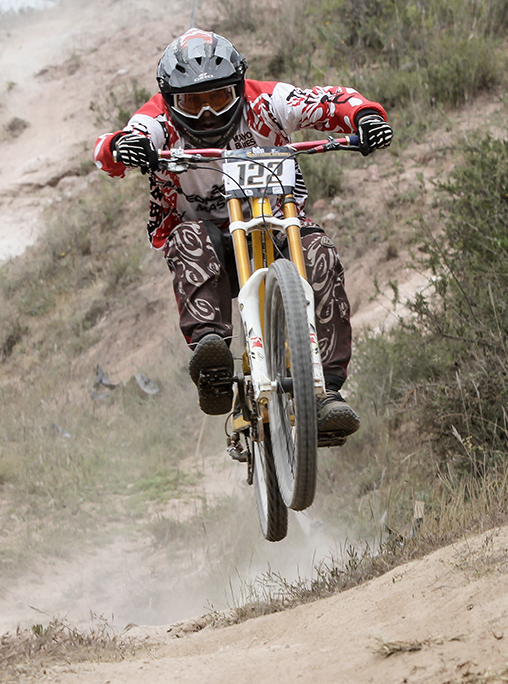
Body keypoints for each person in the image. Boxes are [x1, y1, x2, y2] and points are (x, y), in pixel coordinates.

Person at [92, 29, 394, 437]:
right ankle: (212, 361)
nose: (207, 114)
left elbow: (330, 100)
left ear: (238, 86)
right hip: (210, 248)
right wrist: (123, 147)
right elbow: (109, 149)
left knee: (319, 251)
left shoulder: (268, 102)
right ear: (169, 99)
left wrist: (365, 117)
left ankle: (326, 393)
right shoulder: (156, 119)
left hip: (279, 227)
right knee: (189, 237)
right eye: (192, 103)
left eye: (219, 98)